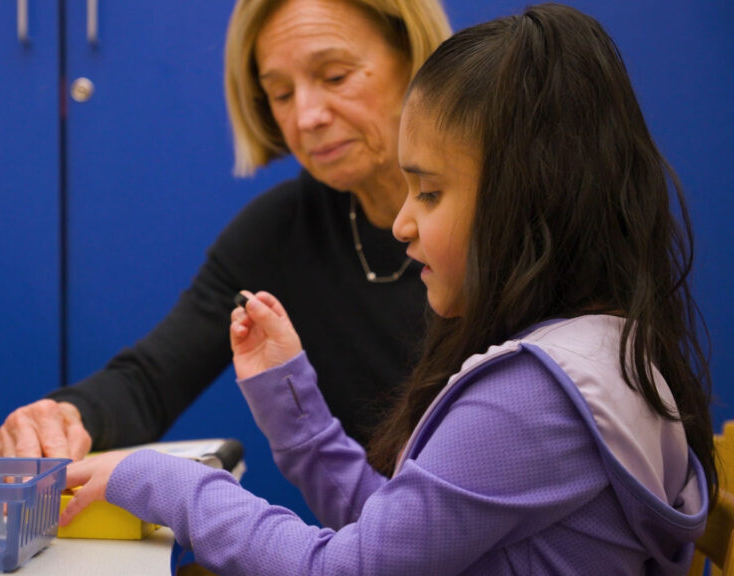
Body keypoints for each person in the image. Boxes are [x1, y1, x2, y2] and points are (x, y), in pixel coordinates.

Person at [61, 4, 717, 574]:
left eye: (428, 193)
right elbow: (399, 530)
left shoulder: (532, 399)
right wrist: (290, 401)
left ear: (527, 200)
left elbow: (350, 567)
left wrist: (165, 481)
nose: (404, 222)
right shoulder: (602, 349)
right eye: (280, 94)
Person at [0, 0, 452, 461]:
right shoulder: (280, 229)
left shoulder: (503, 213)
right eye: (281, 94)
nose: (307, 116)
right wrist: (65, 417)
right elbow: (152, 381)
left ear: (416, 60)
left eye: (335, 76)